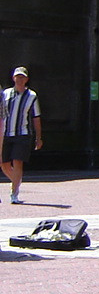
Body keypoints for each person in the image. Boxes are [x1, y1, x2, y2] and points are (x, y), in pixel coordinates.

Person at [2, 66, 42, 204]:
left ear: (26, 79)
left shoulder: (32, 96)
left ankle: (14, 193)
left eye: (22, 77)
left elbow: (36, 117)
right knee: (4, 163)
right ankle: (16, 181)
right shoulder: (5, 94)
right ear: (13, 78)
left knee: (17, 162)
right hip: (5, 133)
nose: (19, 79)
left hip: (22, 134)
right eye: (17, 77)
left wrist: (38, 137)